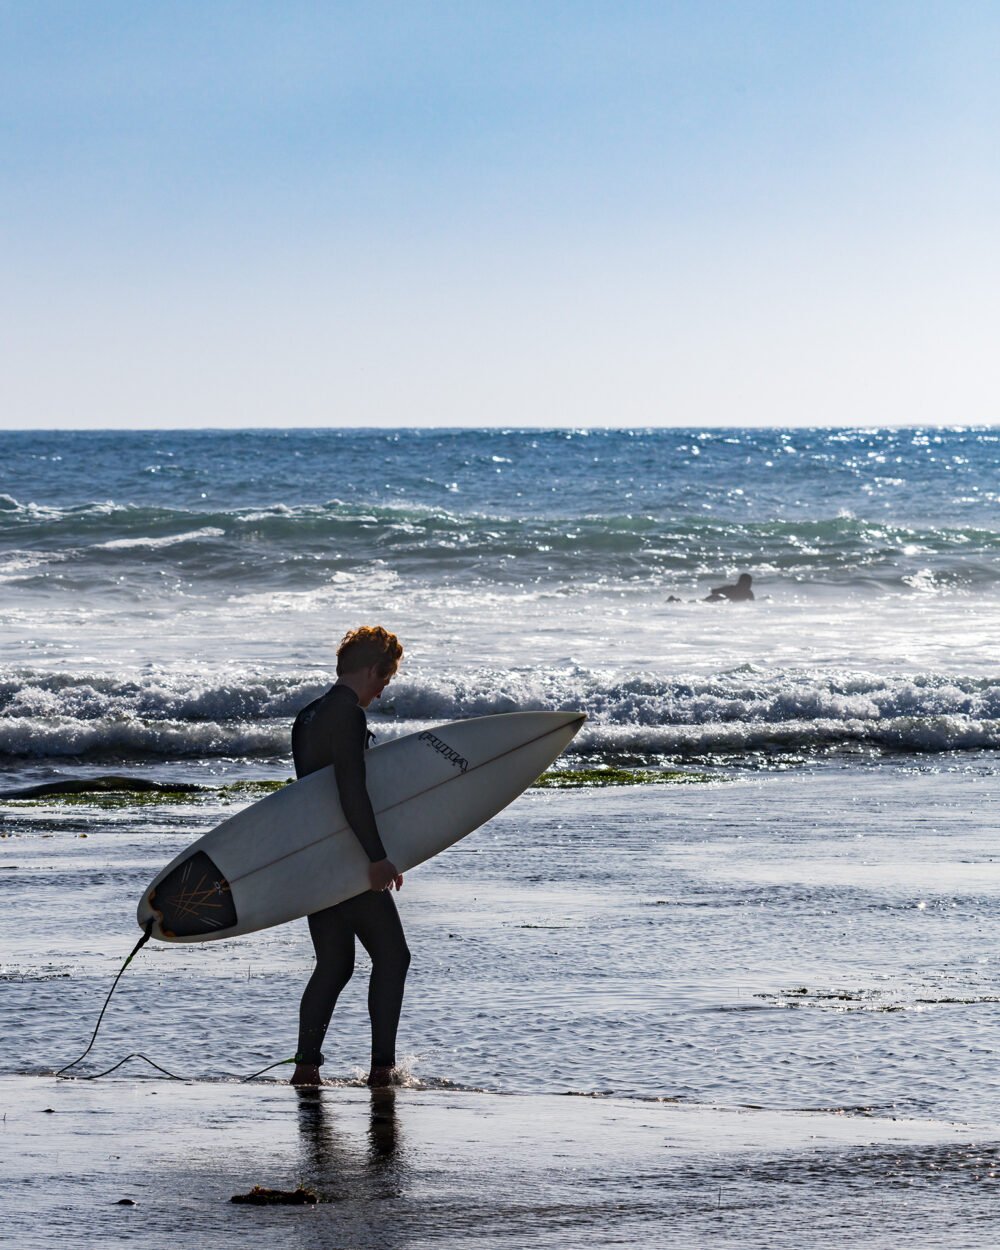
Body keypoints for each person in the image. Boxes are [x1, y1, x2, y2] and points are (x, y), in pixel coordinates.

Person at [289, 625, 410, 1088]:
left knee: (335, 963)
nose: (382, 690)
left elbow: (309, 797)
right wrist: (377, 858)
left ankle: (306, 1068)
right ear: (372, 669)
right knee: (393, 957)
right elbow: (350, 790)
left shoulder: (307, 716)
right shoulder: (349, 716)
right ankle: (383, 1071)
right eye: (385, 678)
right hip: (346, 857)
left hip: (315, 859)